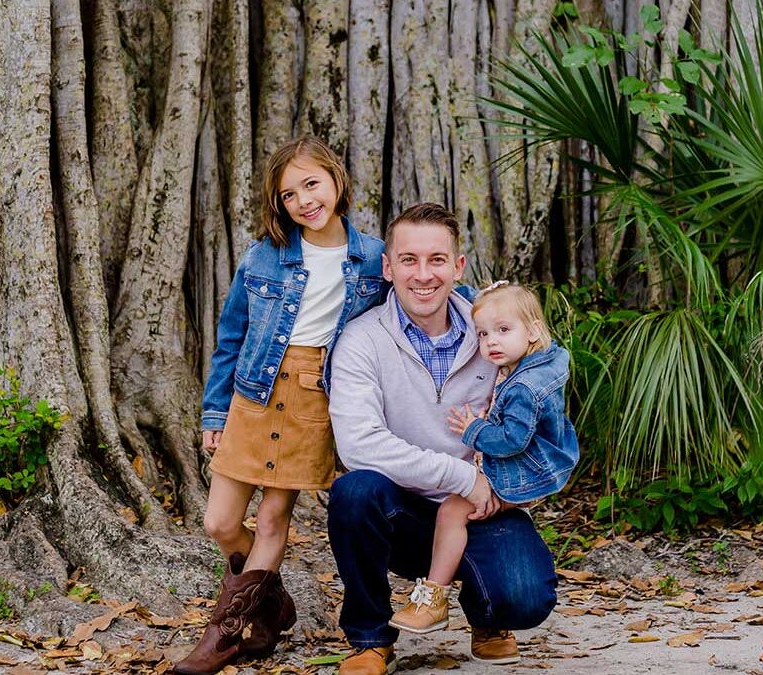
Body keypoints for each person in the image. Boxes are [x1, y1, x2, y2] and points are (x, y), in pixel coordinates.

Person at [174, 137, 385, 675]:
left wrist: (484, 300)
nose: (303, 201)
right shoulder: (263, 254)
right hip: (254, 394)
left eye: (311, 184)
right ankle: (273, 602)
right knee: (220, 523)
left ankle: (224, 636)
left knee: (272, 517)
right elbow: (230, 338)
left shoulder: (373, 258)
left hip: (314, 397)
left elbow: (423, 286)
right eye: (289, 194)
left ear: (336, 179)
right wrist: (216, 413)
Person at [327, 203, 558, 675]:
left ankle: (489, 617)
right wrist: (459, 476)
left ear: (458, 266)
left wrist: (498, 488)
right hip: (404, 509)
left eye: (437, 260)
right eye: (408, 260)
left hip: (485, 504)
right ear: (388, 268)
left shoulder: (496, 332)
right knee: (353, 493)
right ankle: (370, 639)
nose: (423, 274)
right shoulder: (361, 339)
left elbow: (540, 419)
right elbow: (358, 444)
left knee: (526, 598)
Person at [389, 281, 579, 635]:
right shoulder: (540, 360)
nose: (491, 341)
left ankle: (433, 597)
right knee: (466, 512)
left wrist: (473, 430)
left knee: (451, 512)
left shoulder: (525, 387)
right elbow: (502, 312)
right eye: (482, 333)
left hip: (521, 470)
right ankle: (477, 600)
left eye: (503, 330)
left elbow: (512, 439)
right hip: (537, 469)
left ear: (534, 331)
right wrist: (464, 289)